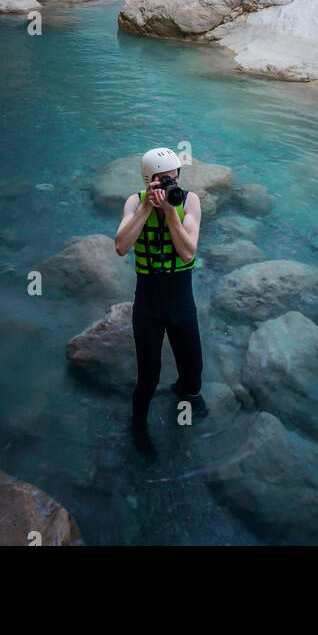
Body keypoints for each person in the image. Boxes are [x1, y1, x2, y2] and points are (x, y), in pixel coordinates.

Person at [114, 147, 206, 454]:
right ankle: (138, 427)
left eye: (174, 176)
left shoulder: (189, 201)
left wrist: (169, 212)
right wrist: (145, 210)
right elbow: (121, 247)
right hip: (149, 305)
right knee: (148, 379)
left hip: (181, 301)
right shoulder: (134, 202)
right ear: (148, 180)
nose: (171, 184)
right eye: (163, 179)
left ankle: (184, 396)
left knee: (193, 378)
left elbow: (188, 252)